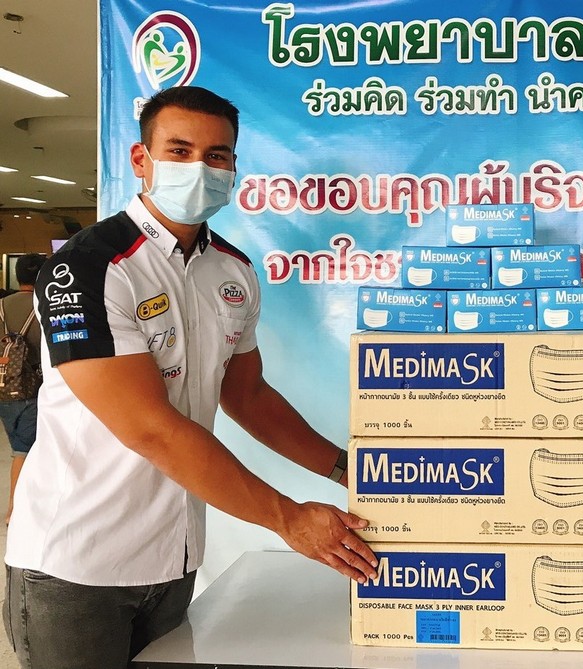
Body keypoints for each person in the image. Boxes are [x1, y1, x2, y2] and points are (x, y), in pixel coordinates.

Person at [3, 86, 378, 669]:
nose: (200, 168)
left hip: (173, 557)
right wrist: (289, 519)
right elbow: (150, 428)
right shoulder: (86, 268)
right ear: (141, 159)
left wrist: (351, 471)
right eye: (179, 150)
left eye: (217, 155)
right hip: (77, 564)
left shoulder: (233, 270)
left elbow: (248, 395)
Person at [0, 253, 46, 524]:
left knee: (20, 445)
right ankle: (14, 510)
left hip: (3, 389)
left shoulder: (1, 305)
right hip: (32, 388)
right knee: (24, 449)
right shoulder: (43, 306)